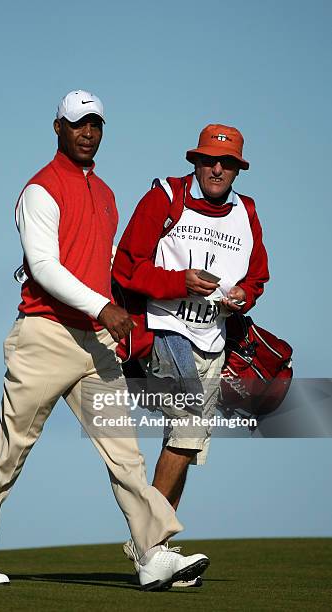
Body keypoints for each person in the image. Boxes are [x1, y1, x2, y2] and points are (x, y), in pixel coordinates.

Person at [0, 90, 210, 592]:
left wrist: (131, 308)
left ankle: (152, 554)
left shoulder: (105, 194)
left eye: (95, 125)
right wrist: (102, 307)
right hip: (45, 336)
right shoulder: (40, 190)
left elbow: (109, 262)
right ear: (58, 127)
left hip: (95, 343)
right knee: (10, 451)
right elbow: (43, 267)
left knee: (125, 455)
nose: (87, 133)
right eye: (77, 124)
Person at [113, 123, 269, 584]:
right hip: (163, 330)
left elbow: (258, 276)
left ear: (238, 169)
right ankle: (149, 546)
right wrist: (177, 282)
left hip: (214, 339)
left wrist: (244, 295)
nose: (216, 169)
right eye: (208, 160)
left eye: (226, 163)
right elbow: (125, 267)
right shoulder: (166, 197)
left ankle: (157, 552)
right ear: (195, 162)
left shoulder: (248, 211)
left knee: (185, 442)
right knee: (189, 425)